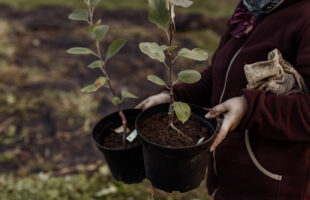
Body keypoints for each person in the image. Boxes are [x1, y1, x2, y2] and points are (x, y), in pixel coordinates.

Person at [136, 0, 310, 199]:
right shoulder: (251, 7)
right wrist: (173, 96)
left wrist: (248, 107)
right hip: (231, 175)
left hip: (273, 186)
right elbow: (220, 72)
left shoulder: (304, 17)